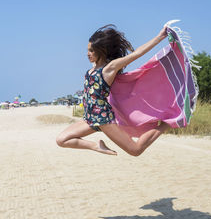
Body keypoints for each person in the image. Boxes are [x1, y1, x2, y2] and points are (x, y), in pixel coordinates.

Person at [56, 24, 170, 156]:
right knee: (61, 140)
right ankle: (97, 146)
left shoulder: (109, 68)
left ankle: (168, 123)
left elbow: (138, 53)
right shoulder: (92, 69)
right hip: (89, 117)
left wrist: (160, 36)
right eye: (88, 50)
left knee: (135, 150)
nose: (88, 54)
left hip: (102, 118)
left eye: (92, 51)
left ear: (102, 51)